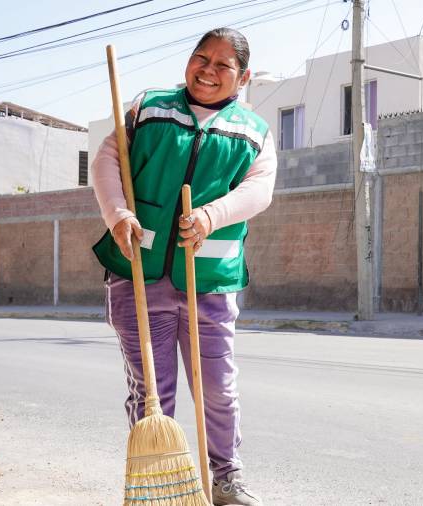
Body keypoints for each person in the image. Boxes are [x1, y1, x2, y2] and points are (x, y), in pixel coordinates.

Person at [91, 27, 276, 506]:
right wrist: (118, 214)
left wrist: (212, 215)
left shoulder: (253, 130)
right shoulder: (150, 108)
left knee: (218, 389)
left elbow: (259, 191)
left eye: (222, 65)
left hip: (209, 281)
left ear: (244, 77)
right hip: (139, 271)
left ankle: (226, 478)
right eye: (201, 58)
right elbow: (107, 159)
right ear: (188, 61)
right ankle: (159, 486)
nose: (208, 71)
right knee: (153, 392)